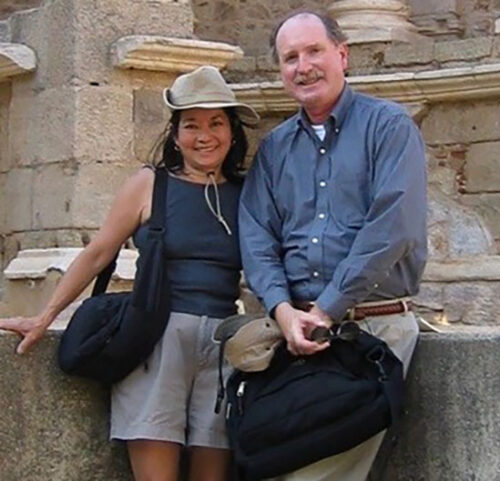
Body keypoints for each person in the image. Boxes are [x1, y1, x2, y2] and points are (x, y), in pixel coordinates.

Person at [0, 65, 259, 481]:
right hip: (155, 340)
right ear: (175, 134)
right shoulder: (149, 184)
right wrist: (44, 316)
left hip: (225, 346)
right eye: (191, 125)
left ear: (232, 132)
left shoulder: (248, 193)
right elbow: (98, 253)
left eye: (216, 123)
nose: (204, 136)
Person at [239, 9, 428, 481]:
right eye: (290, 57)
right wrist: (284, 310)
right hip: (293, 336)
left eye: (314, 51)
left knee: (317, 474)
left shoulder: (389, 128)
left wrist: (327, 308)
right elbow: (257, 236)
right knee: (271, 464)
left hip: (371, 334)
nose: (303, 66)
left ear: (342, 54)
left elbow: (393, 226)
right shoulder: (276, 148)